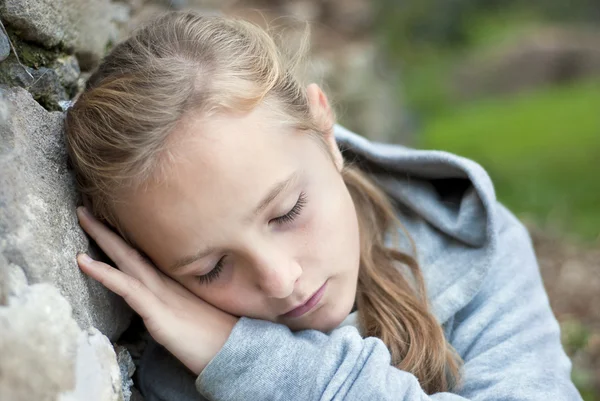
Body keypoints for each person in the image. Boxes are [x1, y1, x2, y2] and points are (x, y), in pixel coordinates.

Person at [64, 11, 582, 401]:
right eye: (211, 268)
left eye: (287, 211)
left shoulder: (470, 239)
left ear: (325, 128)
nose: (281, 279)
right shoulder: (161, 367)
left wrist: (256, 363)